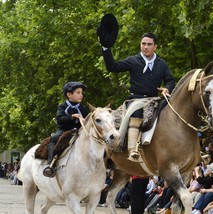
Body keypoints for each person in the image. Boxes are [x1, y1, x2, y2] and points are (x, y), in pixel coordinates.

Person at [101, 31, 175, 162]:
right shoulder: (133, 61)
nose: (145, 47)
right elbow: (112, 67)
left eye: (149, 44)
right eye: (143, 44)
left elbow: (170, 80)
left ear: (155, 47)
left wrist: (166, 88)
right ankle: (132, 149)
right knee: (136, 112)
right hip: (136, 99)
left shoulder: (162, 64)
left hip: (154, 99)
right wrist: (106, 48)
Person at [43, 82, 89, 177]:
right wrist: (72, 117)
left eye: (82, 93)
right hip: (65, 130)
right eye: (78, 92)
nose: (81, 95)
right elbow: (60, 119)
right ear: (69, 94)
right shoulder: (62, 107)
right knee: (54, 138)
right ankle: (50, 163)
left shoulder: (83, 108)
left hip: (79, 131)